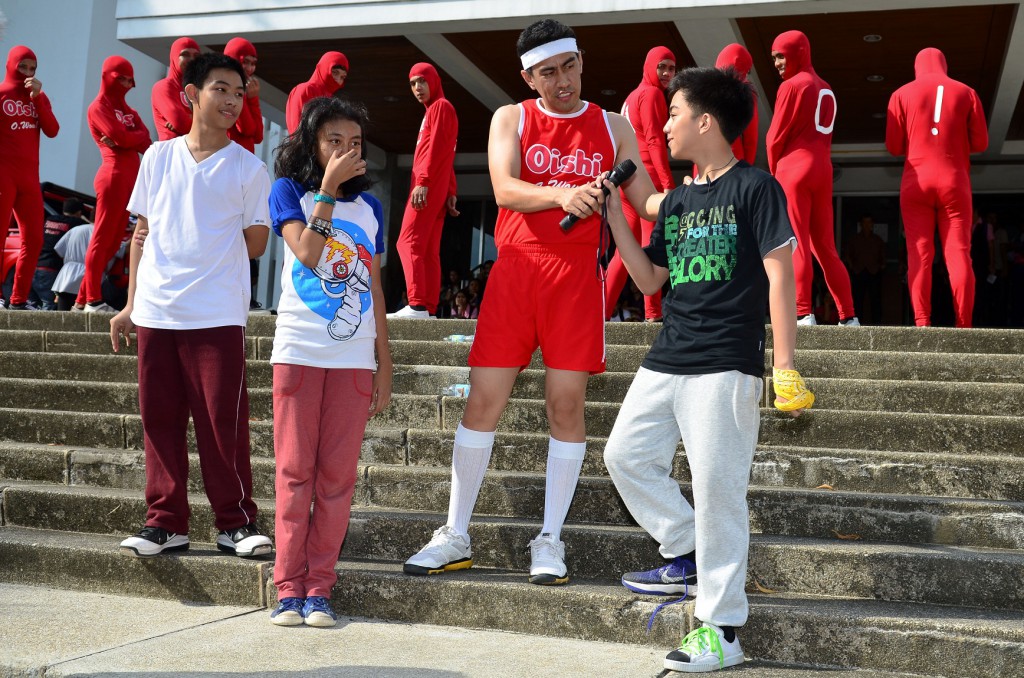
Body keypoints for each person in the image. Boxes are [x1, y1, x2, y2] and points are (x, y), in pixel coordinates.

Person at [403, 18, 660, 586]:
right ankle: (455, 533)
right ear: (528, 77)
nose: (562, 80)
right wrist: (563, 195)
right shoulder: (511, 117)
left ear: (581, 61)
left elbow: (645, 200)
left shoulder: (613, 125)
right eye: (547, 72)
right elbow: (504, 188)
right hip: (516, 273)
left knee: (566, 408)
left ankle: (549, 539)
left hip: (575, 279)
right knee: (481, 403)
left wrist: (699, 196)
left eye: (569, 66)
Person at [603, 65, 812, 674]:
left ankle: (721, 630)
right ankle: (687, 547)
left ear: (706, 122)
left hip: (726, 362)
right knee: (624, 456)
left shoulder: (756, 187)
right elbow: (650, 279)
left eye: (674, 113)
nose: (665, 126)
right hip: (669, 355)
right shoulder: (678, 201)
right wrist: (615, 216)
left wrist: (784, 366)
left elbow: (780, 275)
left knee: (719, 493)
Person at [111, 52, 273, 559]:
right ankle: (165, 523)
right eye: (220, 89)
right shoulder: (157, 157)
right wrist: (129, 305)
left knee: (223, 424)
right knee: (159, 421)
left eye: (238, 93)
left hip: (216, 313)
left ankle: (236, 523)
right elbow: (141, 234)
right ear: (191, 95)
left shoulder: (249, 168)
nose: (231, 101)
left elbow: (257, 243)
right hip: (157, 311)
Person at [267, 96, 392, 628]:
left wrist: (384, 361)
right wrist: (326, 189)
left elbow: (376, 289)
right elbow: (309, 254)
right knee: (295, 473)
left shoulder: (370, 208)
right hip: (298, 351)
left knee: (337, 479)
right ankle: (288, 588)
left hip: (353, 358)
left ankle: (319, 587)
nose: (346, 151)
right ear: (312, 144)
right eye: (334, 141)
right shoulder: (287, 193)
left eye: (355, 144)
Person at [886, 47, 988, 328]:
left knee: (919, 254)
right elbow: (981, 143)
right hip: (954, 180)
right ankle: (963, 324)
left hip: (916, 180)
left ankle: (922, 322)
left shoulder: (900, 94)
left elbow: (893, 146)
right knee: (958, 253)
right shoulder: (967, 92)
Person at [766, 30, 858, 327]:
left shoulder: (791, 86)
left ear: (798, 53)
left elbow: (774, 137)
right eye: (774, 58)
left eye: (781, 56)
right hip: (823, 168)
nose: (777, 63)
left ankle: (803, 312)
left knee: (797, 243)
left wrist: (773, 172)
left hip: (794, 170)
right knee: (826, 248)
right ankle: (849, 316)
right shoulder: (827, 88)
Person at [603, 46, 676, 322]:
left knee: (624, 253)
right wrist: (667, 184)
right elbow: (656, 141)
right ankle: (653, 313)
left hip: (626, 179)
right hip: (647, 181)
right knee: (651, 246)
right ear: (650, 67)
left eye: (671, 68)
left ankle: (601, 311)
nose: (667, 73)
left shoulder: (632, 96)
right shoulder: (652, 94)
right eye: (662, 67)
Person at [81, 56, 152, 313]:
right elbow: (124, 137)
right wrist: (129, 137)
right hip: (112, 176)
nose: (125, 84)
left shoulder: (130, 111)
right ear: (108, 77)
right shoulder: (98, 107)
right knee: (102, 239)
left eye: (129, 80)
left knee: (113, 243)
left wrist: (126, 137)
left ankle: (81, 300)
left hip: (130, 180)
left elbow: (146, 142)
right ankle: (92, 300)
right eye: (120, 78)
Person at [389, 62, 459, 320]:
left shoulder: (440, 107)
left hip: (426, 187)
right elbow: (447, 152)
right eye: (412, 83)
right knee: (428, 248)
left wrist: (424, 182)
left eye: (422, 81)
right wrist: (450, 190)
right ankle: (427, 307)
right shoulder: (437, 109)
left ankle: (417, 304)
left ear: (434, 81)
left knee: (407, 242)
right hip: (435, 188)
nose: (417, 87)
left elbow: (439, 149)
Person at [0, 45, 59, 310]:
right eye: (22, 66)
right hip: (4, 174)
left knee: (34, 239)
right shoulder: (2, 94)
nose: (27, 72)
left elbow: (53, 130)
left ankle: (18, 299)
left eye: (32, 68)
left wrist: (37, 99)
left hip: (29, 179)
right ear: (11, 65)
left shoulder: (38, 96)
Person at [223, 37, 267, 310]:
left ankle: (245, 294)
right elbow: (247, 128)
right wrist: (250, 99)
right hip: (230, 167)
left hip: (244, 168)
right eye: (245, 61)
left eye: (253, 62)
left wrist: (253, 100)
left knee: (248, 232)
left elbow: (258, 134)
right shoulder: (234, 91)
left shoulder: (246, 90)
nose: (250, 68)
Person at [34, 198, 86, 310]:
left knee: (36, 305)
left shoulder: (49, 219)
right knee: (50, 306)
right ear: (79, 213)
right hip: (51, 271)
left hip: (35, 267)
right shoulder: (77, 223)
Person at [286, 52, 348, 135]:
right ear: (324, 68)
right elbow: (297, 128)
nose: (338, 79)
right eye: (335, 72)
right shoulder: (305, 89)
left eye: (342, 77)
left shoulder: (331, 99)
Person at [151, 37, 200, 141]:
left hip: (198, 149)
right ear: (174, 57)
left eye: (196, 56)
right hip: (172, 149)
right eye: (185, 54)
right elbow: (180, 123)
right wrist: (200, 118)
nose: (192, 59)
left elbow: (216, 121)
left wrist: (189, 118)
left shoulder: (201, 88)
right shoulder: (163, 86)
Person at [844, 215, 886, 324]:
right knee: (857, 299)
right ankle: (857, 322)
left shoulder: (877, 240)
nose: (867, 225)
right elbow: (848, 254)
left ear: (872, 225)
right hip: (858, 272)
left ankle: (877, 324)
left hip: (874, 272)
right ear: (861, 225)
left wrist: (881, 266)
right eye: (865, 222)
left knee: (876, 299)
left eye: (869, 222)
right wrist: (852, 266)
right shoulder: (855, 239)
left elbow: (883, 255)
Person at [52, 218, 93, 311]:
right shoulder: (101, 232)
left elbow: (59, 249)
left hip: (67, 275)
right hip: (88, 276)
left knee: (63, 314)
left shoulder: (75, 229)